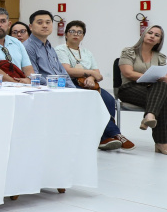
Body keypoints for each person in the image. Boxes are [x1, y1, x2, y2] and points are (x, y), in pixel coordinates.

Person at [56, 20, 134, 150]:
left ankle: (104, 138)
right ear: (66, 34)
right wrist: (91, 73)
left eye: (79, 32)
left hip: (89, 84)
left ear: (83, 36)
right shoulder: (60, 49)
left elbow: (98, 74)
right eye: (72, 31)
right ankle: (115, 134)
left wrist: (91, 77)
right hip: (70, 83)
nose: (76, 34)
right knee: (95, 101)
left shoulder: (87, 52)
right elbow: (68, 70)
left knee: (108, 99)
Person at [118, 25, 167, 155]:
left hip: (152, 90)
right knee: (163, 97)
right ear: (144, 35)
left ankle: (149, 116)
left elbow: (165, 77)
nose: (152, 36)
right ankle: (161, 143)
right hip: (129, 88)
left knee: (162, 89)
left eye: (157, 35)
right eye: (150, 33)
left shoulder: (161, 57)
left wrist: (161, 78)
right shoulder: (129, 51)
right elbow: (128, 73)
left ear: (159, 41)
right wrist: (153, 78)